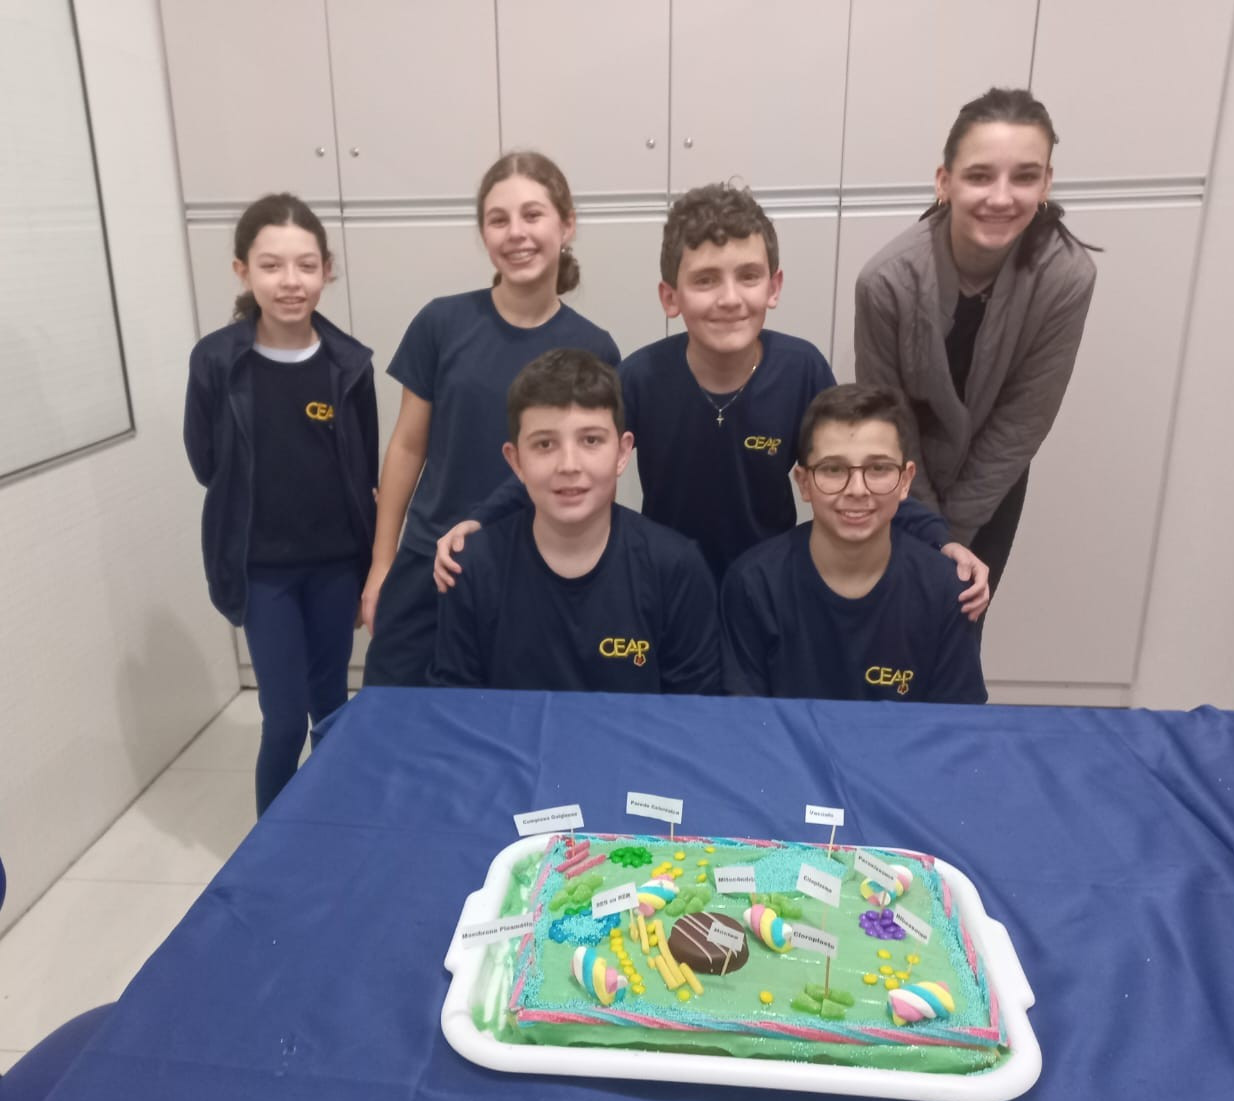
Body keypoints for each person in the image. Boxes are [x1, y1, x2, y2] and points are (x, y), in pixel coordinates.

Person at [437, 183, 990, 615]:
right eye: (705, 281)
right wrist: (482, 521)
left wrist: (938, 539)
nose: (729, 298)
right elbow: (570, 455)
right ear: (670, 297)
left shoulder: (801, 370)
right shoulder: (641, 377)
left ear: (773, 287)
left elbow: (859, 465)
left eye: (747, 276)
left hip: (772, 590)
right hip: (667, 589)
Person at [361, 151, 620, 686]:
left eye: (533, 215)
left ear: (567, 225)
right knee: (394, 716)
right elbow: (407, 446)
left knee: (506, 726)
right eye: (498, 219)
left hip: (530, 571)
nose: (516, 233)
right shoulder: (441, 323)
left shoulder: (594, 348)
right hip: (428, 563)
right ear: (484, 233)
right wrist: (382, 563)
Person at [854, 87, 1098, 600]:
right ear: (944, 182)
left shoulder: (1067, 277)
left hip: (991, 488)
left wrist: (956, 535)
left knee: (959, 618)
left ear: (1046, 183)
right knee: (887, 619)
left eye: (1024, 176)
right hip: (899, 481)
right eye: (980, 175)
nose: (1001, 197)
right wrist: (928, 531)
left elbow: (1022, 421)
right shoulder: (885, 282)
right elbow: (888, 420)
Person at [183, 194, 377, 815]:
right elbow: (205, 462)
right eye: (271, 266)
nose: (290, 281)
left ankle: (333, 824)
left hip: (335, 567)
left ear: (327, 270)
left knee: (333, 709)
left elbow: (364, 469)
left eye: (305, 265)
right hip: (262, 571)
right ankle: (274, 846)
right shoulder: (216, 362)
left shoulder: (350, 364)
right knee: (286, 717)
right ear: (242, 271)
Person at [430, 349, 719, 693]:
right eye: (544, 444)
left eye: (591, 440)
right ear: (516, 461)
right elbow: (454, 706)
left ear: (622, 453)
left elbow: (694, 710)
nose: (569, 465)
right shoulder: (474, 568)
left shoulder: (675, 568)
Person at [721, 384, 987, 704]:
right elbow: (747, 722)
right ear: (804, 483)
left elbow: (956, 725)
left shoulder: (946, 591)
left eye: (878, 468)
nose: (857, 489)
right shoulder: (754, 585)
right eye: (833, 469)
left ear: (905, 481)